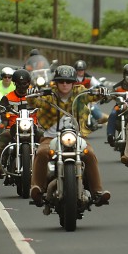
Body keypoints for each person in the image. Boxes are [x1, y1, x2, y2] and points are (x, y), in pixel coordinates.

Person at [27, 65, 110, 207]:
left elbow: (93, 95)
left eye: (68, 81)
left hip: (76, 137)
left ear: (73, 83)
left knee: (89, 153)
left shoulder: (80, 93)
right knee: (41, 152)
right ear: (56, 83)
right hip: (51, 137)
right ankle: (38, 189)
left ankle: (97, 192)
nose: (65, 84)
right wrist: (33, 92)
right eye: (61, 81)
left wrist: (102, 92)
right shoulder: (48, 95)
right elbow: (34, 101)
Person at [0, 69, 40, 178]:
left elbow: (45, 104)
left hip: (34, 126)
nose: (22, 86)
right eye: (18, 83)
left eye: (25, 83)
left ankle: (49, 165)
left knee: (45, 140)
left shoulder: (35, 95)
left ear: (29, 83)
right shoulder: (8, 97)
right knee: (4, 136)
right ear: (14, 83)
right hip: (13, 127)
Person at [107, 63, 128, 146]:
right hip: (120, 106)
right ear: (124, 75)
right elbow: (110, 95)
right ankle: (110, 135)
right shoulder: (117, 87)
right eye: (127, 75)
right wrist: (107, 97)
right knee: (113, 113)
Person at [73, 59, 108, 124]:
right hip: (74, 99)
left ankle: (95, 122)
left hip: (87, 99)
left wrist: (101, 88)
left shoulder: (89, 78)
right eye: (78, 70)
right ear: (76, 70)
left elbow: (99, 85)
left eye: (82, 70)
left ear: (84, 70)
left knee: (97, 113)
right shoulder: (72, 78)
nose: (80, 71)